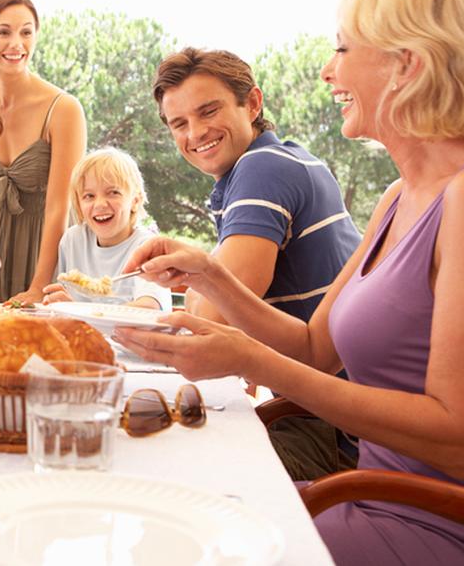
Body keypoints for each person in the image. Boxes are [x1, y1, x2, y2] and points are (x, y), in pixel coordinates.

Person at [116, 0, 464, 564]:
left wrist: (247, 356)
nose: (327, 70)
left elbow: (463, 441)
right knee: (155, 504)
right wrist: (210, 273)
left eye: (343, 48)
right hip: (372, 493)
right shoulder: (399, 197)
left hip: (438, 523)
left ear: (408, 63)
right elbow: (317, 349)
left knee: (169, 533)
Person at [152, 46, 363, 481]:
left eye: (208, 111)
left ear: (252, 103)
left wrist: (169, 310)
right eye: (180, 124)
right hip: (317, 407)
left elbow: (213, 310)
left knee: (164, 467)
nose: (196, 132)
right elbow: (215, 303)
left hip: (336, 428)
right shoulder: (276, 160)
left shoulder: (263, 168)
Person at [0, 0, 87, 304]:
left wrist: (39, 286)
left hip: (48, 252)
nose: (17, 44)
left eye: (26, 32)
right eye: (4, 32)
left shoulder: (64, 109)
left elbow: (60, 207)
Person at [41, 147, 171, 310]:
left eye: (113, 193)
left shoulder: (148, 247)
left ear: (135, 201)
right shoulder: (73, 240)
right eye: (89, 196)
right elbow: (65, 303)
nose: (100, 204)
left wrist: (79, 311)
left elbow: (149, 307)